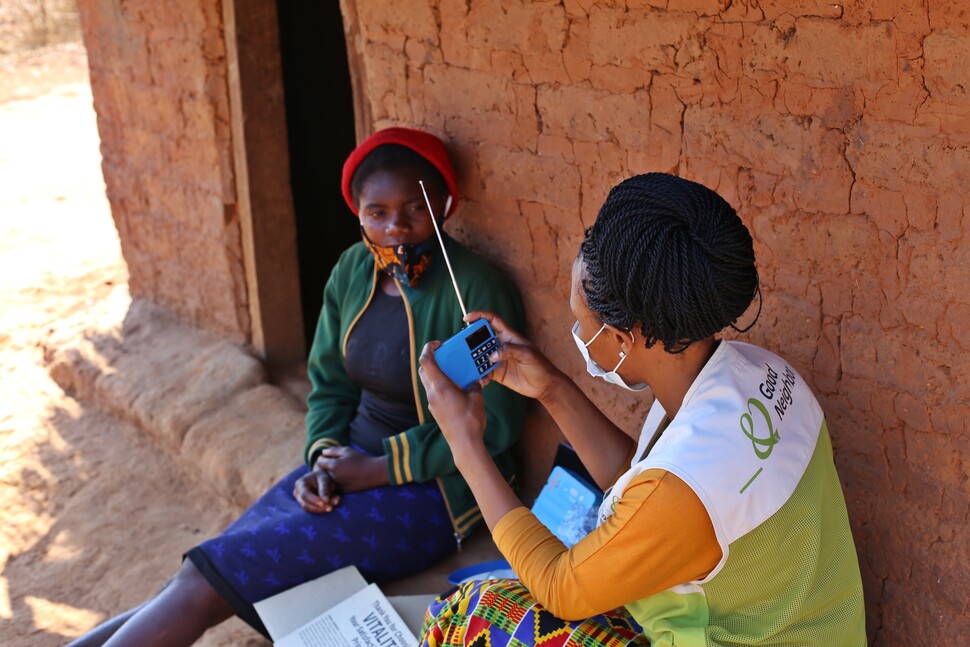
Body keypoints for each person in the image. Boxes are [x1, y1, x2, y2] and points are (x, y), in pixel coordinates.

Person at [68, 127, 526, 646]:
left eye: (412, 209)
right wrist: (322, 459)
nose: (396, 227)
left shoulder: (474, 287)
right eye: (378, 212)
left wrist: (378, 469)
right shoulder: (354, 271)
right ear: (359, 214)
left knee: (205, 584)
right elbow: (329, 386)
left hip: (434, 493)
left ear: (444, 202)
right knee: (199, 577)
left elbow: (499, 424)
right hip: (347, 467)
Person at [417, 172, 867, 646]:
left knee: (475, 611)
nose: (579, 335)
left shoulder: (683, 489)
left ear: (621, 337)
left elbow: (560, 588)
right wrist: (549, 386)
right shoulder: (758, 372)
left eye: (581, 322)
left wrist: (465, 445)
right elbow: (641, 486)